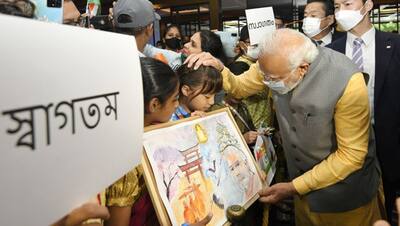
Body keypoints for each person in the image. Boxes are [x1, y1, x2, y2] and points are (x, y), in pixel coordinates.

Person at [185, 28, 382, 226]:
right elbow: (240, 86)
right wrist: (220, 68)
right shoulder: (271, 64)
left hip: (345, 198)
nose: (266, 83)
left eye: (273, 79)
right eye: (264, 76)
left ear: (302, 69)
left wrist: (293, 187)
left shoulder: (347, 81)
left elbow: (352, 155)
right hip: (301, 195)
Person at [105, 58, 212, 226]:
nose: (177, 105)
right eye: (174, 99)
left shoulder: (153, 130)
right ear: (154, 104)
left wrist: (190, 127)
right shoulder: (127, 161)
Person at [329, 0, 400, 223]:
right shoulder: (330, 52)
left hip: (391, 142)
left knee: (391, 205)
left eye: (347, 3)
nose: (341, 11)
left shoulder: (396, 45)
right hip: (345, 145)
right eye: (337, 6)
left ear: (368, 5)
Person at [112, 0, 182, 68]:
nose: (174, 38)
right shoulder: (149, 70)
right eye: (170, 35)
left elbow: (150, 50)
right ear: (149, 29)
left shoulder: (106, 55)